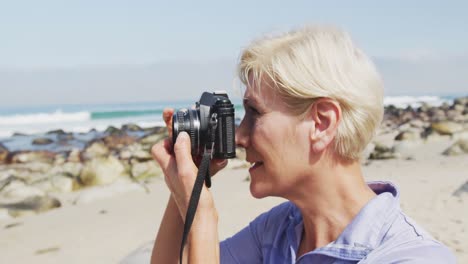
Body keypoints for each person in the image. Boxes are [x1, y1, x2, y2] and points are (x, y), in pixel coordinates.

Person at [150, 26, 455, 263]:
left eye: (254, 112)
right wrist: (187, 190)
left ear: (322, 123)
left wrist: (204, 216)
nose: (240, 138)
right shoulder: (280, 232)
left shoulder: (410, 257)